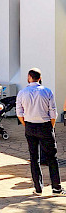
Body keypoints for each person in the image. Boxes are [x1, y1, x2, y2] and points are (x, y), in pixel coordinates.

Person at [16, 68, 66, 196]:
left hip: (30, 126)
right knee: (52, 157)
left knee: (34, 157)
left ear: (29, 77)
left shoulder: (22, 92)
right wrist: (51, 126)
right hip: (45, 125)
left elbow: (19, 112)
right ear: (40, 78)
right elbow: (52, 111)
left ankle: (38, 188)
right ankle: (56, 188)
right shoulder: (47, 91)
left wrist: (26, 124)